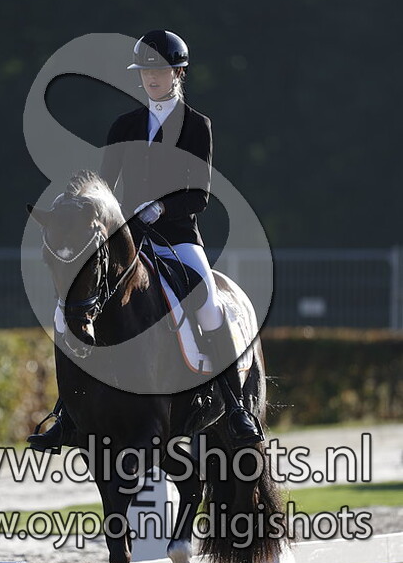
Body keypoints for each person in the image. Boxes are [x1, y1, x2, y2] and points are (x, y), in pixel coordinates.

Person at [28, 29, 264, 453]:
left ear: (178, 73)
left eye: (160, 71)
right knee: (70, 310)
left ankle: (234, 406)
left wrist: (161, 209)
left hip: (178, 236)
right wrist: (83, 206)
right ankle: (66, 414)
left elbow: (200, 195)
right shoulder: (125, 125)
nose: (151, 78)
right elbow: (104, 186)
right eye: (145, 71)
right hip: (127, 239)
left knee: (208, 303)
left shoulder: (197, 126)